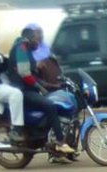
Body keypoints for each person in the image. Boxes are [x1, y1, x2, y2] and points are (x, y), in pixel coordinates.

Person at [7, 25, 74, 154]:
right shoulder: (21, 48)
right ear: (29, 38)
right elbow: (25, 74)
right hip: (22, 90)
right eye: (36, 39)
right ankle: (60, 142)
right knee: (50, 105)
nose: (38, 42)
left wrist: (51, 85)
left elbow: (33, 74)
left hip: (28, 89)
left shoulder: (26, 50)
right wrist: (41, 88)